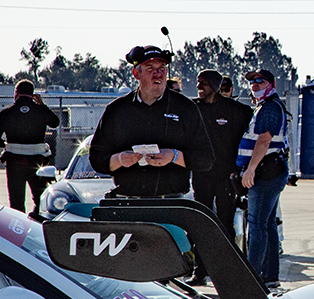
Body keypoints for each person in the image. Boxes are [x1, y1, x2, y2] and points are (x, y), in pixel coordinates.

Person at [89, 45, 214, 198]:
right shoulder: (117, 110)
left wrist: (174, 156)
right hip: (128, 203)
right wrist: (119, 159)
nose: (158, 74)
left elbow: (206, 158)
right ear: (136, 73)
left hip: (172, 204)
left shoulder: (186, 108)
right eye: (150, 68)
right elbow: (96, 158)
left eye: (162, 68)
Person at [187, 68, 253, 286]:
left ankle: (226, 273)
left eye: (203, 83)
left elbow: (252, 132)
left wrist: (240, 168)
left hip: (226, 176)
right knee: (200, 223)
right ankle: (200, 272)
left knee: (225, 224)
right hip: (201, 176)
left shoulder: (236, 110)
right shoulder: (193, 109)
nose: (199, 87)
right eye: (198, 83)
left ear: (214, 86)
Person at [237, 68, 289, 289]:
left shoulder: (269, 108)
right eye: (252, 82)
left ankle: (252, 276)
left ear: (272, 84)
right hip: (270, 171)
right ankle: (269, 275)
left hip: (265, 173)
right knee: (267, 224)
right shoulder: (265, 106)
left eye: (260, 81)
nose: (255, 85)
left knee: (256, 224)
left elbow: (264, 140)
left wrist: (250, 170)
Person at [0, 80, 59, 216]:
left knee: (16, 202)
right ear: (33, 95)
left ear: (16, 93)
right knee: (40, 199)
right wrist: (42, 105)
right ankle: (37, 224)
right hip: (37, 161)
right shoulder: (41, 111)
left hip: (14, 162)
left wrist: (5, 144)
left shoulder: (6, 113)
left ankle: (19, 229)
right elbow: (55, 122)